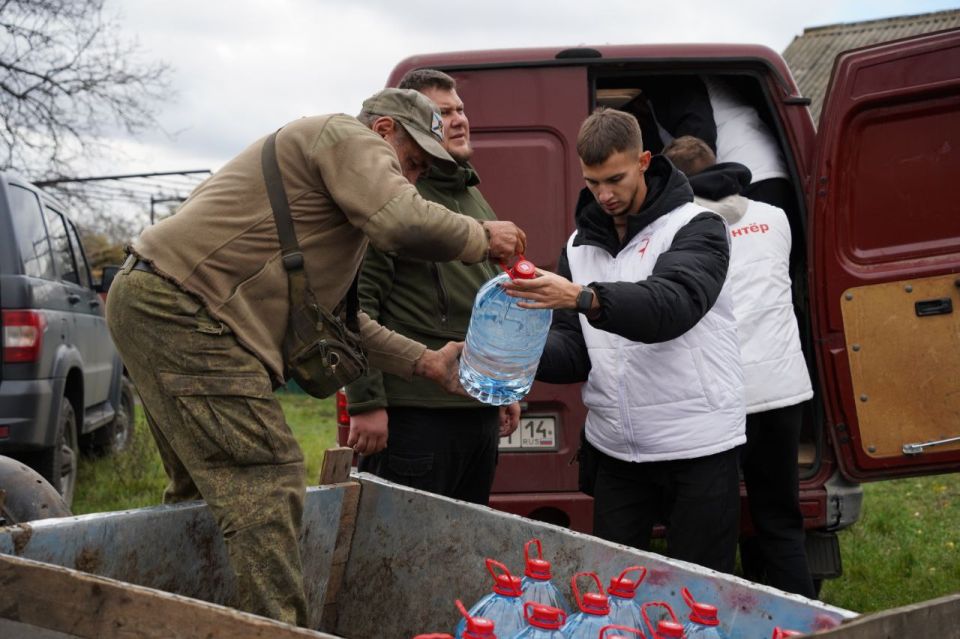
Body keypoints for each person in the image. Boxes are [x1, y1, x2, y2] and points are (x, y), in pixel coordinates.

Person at [105, 88, 526, 626]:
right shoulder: (343, 134)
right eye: (414, 163)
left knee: (205, 494)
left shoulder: (331, 219)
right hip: (182, 311)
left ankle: (180, 620)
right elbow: (403, 221)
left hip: (164, 306)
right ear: (384, 133)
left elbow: (346, 327)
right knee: (268, 477)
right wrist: (480, 235)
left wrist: (427, 363)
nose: (416, 180)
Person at [504, 108, 745, 573]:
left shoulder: (697, 226)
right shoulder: (579, 245)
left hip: (697, 446)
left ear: (644, 161)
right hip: (616, 449)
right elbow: (577, 352)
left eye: (615, 179)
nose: (605, 194)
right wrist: (512, 351)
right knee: (611, 590)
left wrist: (582, 297)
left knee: (699, 591)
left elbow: (669, 307)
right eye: (593, 183)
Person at [345, 70, 520, 504]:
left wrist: (501, 385)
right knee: (402, 552)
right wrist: (366, 403)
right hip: (416, 414)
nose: (458, 120)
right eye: (443, 113)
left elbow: (487, 299)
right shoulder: (395, 199)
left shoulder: (471, 193)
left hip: (475, 408)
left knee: (463, 546)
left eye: (460, 109)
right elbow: (354, 305)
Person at [663, 135, 816, 598]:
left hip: (723, 397)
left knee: (715, 525)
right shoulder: (775, 218)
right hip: (784, 391)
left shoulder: (679, 226)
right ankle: (805, 625)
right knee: (781, 520)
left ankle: (717, 619)